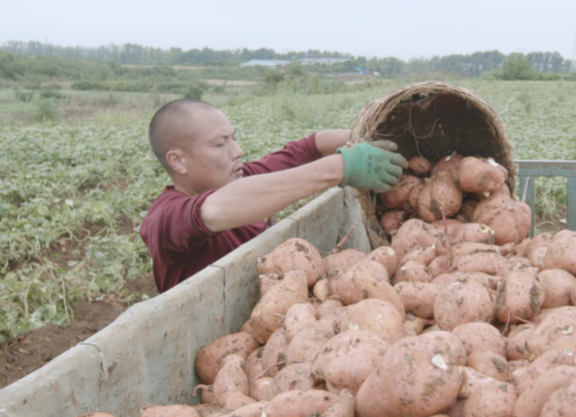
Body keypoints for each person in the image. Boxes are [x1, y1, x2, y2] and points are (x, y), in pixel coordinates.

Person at [140, 99, 406, 293]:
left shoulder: (241, 178)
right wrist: (339, 168)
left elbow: (309, 148)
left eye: (233, 138)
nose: (238, 151)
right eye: (220, 144)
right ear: (178, 161)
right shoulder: (165, 218)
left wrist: (370, 139)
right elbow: (214, 210)